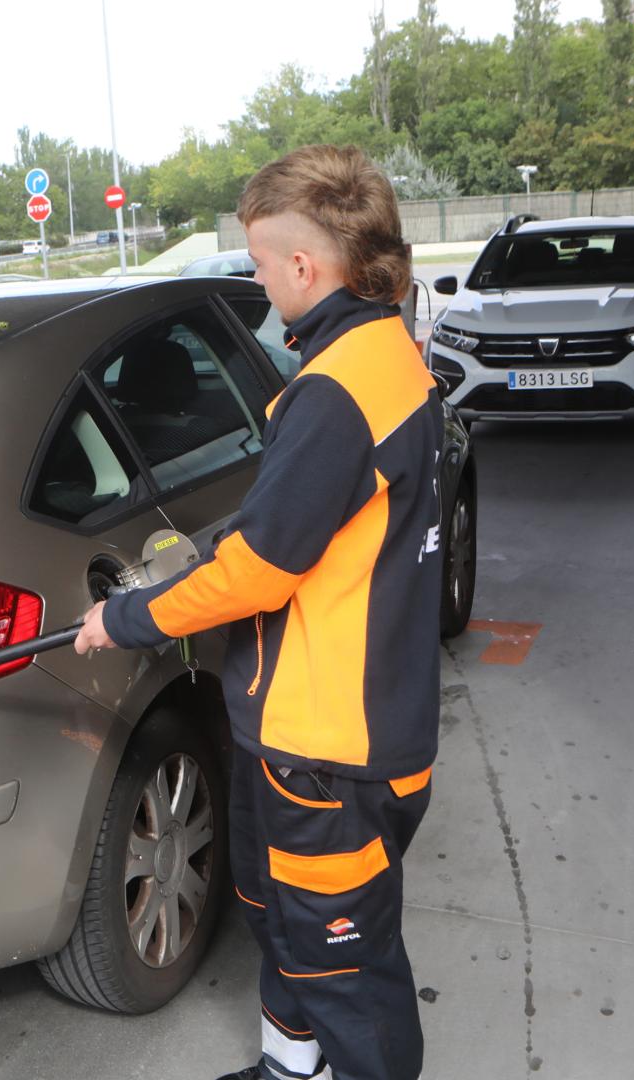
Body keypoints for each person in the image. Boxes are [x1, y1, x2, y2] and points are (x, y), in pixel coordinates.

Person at [75, 144, 440, 1080]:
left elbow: (259, 574)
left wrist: (124, 620)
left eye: (262, 264)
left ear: (306, 268)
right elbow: (304, 519)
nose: (259, 280)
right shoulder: (382, 351)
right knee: (279, 917)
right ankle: (289, 1069)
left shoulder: (333, 393)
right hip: (311, 729)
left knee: (346, 966)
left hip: (331, 750)